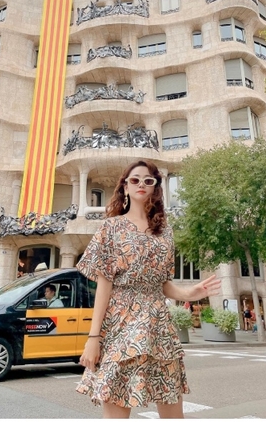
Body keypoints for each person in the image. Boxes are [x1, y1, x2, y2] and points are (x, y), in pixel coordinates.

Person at [76, 160, 222, 418]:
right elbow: (104, 284)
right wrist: (93, 338)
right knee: (116, 406)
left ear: (155, 187)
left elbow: (162, 283)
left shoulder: (165, 232)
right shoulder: (111, 228)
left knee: (172, 410)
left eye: (148, 180)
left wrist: (189, 294)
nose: (141, 184)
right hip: (120, 324)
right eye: (135, 180)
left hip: (158, 326)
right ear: (125, 186)